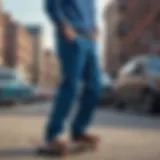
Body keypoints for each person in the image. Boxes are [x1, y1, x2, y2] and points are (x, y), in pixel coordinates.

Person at [43, 0, 102, 151]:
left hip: (90, 40)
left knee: (95, 87)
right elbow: (51, 5)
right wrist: (63, 25)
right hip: (71, 37)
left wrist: (95, 27)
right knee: (71, 86)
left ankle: (78, 130)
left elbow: (91, 10)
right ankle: (53, 135)